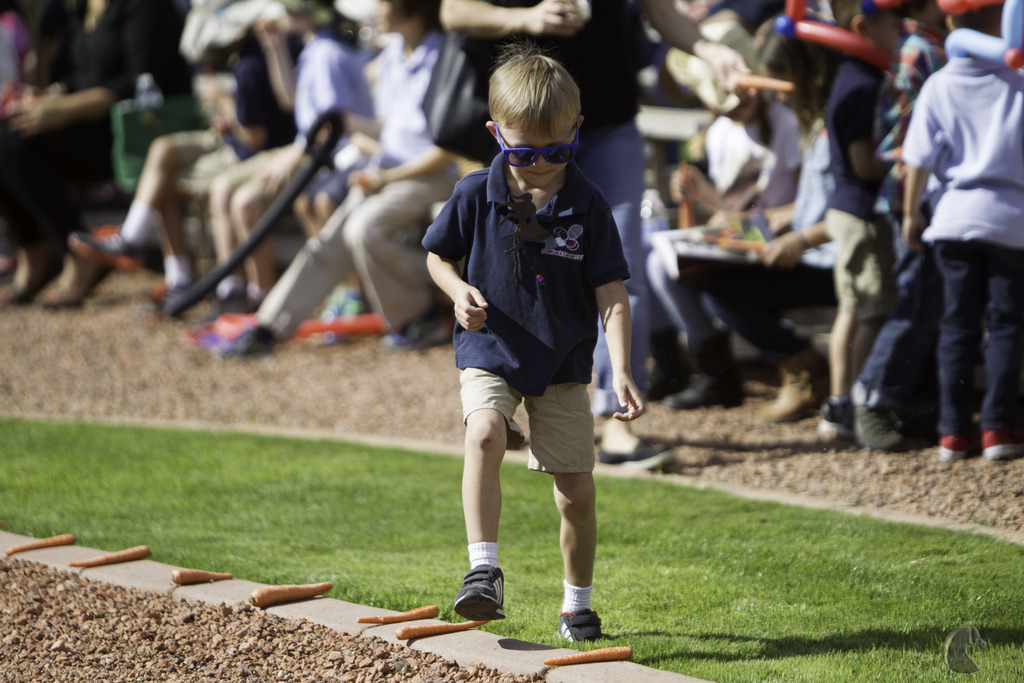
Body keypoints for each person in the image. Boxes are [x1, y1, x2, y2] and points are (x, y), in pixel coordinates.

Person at [439, 0, 749, 468]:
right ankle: (501, 399)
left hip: (607, 122)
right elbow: (453, 12)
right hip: (524, 138)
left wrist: (712, 50)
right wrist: (526, 19)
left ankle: (616, 419)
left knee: (621, 272)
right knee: (516, 265)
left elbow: (660, 12)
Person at [422, 42, 644, 642]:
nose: (539, 163)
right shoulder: (475, 192)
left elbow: (613, 294)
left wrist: (620, 366)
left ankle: (577, 603)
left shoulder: (589, 206)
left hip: (563, 358)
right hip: (491, 344)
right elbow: (438, 256)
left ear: (577, 129)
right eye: (522, 151)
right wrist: (455, 289)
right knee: (485, 431)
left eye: (555, 150)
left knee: (574, 489)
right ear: (495, 133)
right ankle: (483, 571)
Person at [216, 0, 457, 355]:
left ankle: (421, 314)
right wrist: (349, 122)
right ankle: (269, 326)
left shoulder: (445, 58)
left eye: (383, 2)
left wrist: (387, 176)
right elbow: (391, 131)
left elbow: (446, 148)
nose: (375, 9)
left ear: (411, 7)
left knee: (364, 229)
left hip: (429, 174)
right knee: (329, 242)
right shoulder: (393, 57)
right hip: (388, 171)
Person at [649, 17, 834, 421]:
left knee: (720, 291)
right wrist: (703, 196)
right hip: (756, 246)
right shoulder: (718, 134)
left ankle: (799, 368)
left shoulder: (789, 125)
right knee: (661, 264)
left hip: (802, 252)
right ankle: (717, 371)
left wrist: (771, 226)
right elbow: (734, 211)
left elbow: (811, 206)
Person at [67, 12, 298, 305]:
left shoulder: (250, 65)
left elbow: (255, 138)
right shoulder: (235, 60)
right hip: (231, 142)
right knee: (163, 153)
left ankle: (232, 289)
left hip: (249, 151)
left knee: (194, 184)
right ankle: (139, 243)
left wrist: (225, 106)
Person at [0, 0, 193, 308]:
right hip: (89, 123)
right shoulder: (81, 9)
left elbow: (140, 84)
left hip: (132, 130)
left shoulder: (143, 7)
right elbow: (85, 76)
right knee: (6, 136)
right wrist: (51, 95)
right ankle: (35, 249)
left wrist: (60, 111)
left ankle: (78, 251)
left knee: (17, 143)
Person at [199, 0, 374, 321]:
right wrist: (274, 48)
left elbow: (332, 127)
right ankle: (244, 292)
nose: (281, 14)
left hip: (336, 155)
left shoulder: (326, 55)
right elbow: (290, 101)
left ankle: (339, 292)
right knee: (283, 199)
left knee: (284, 202)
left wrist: (293, 157)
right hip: (312, 151)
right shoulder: (313, 50)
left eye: (290, 8)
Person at [902, 4, 1024, 462]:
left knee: (958, 325)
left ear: (949, 23)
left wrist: (912, 214)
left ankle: (953, 431)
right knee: (1007, 326)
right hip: (1012, 222)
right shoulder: (1019, 79)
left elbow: (917, 160)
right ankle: (999, 427)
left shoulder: (940, 84)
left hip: (953, 220)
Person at [851, 0, 948, 451]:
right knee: (917, 301)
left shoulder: (917, 46)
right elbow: (918, 140)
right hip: (916, 194)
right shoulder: (921, 50)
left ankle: (918, 408)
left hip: (918, 194)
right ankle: (872, 397)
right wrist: (915, 207)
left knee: (932, 303)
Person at [817, 0, 901, 439]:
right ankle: (853, 399)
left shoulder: (851, 74)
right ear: (862, 25)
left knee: (851, 310)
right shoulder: (863, 81)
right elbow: (865, 164)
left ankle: (839, 403)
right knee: (871, 309)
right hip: (861, 213)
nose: (903, 28)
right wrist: (907, 156)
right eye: (895, 21)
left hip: (845, 210)